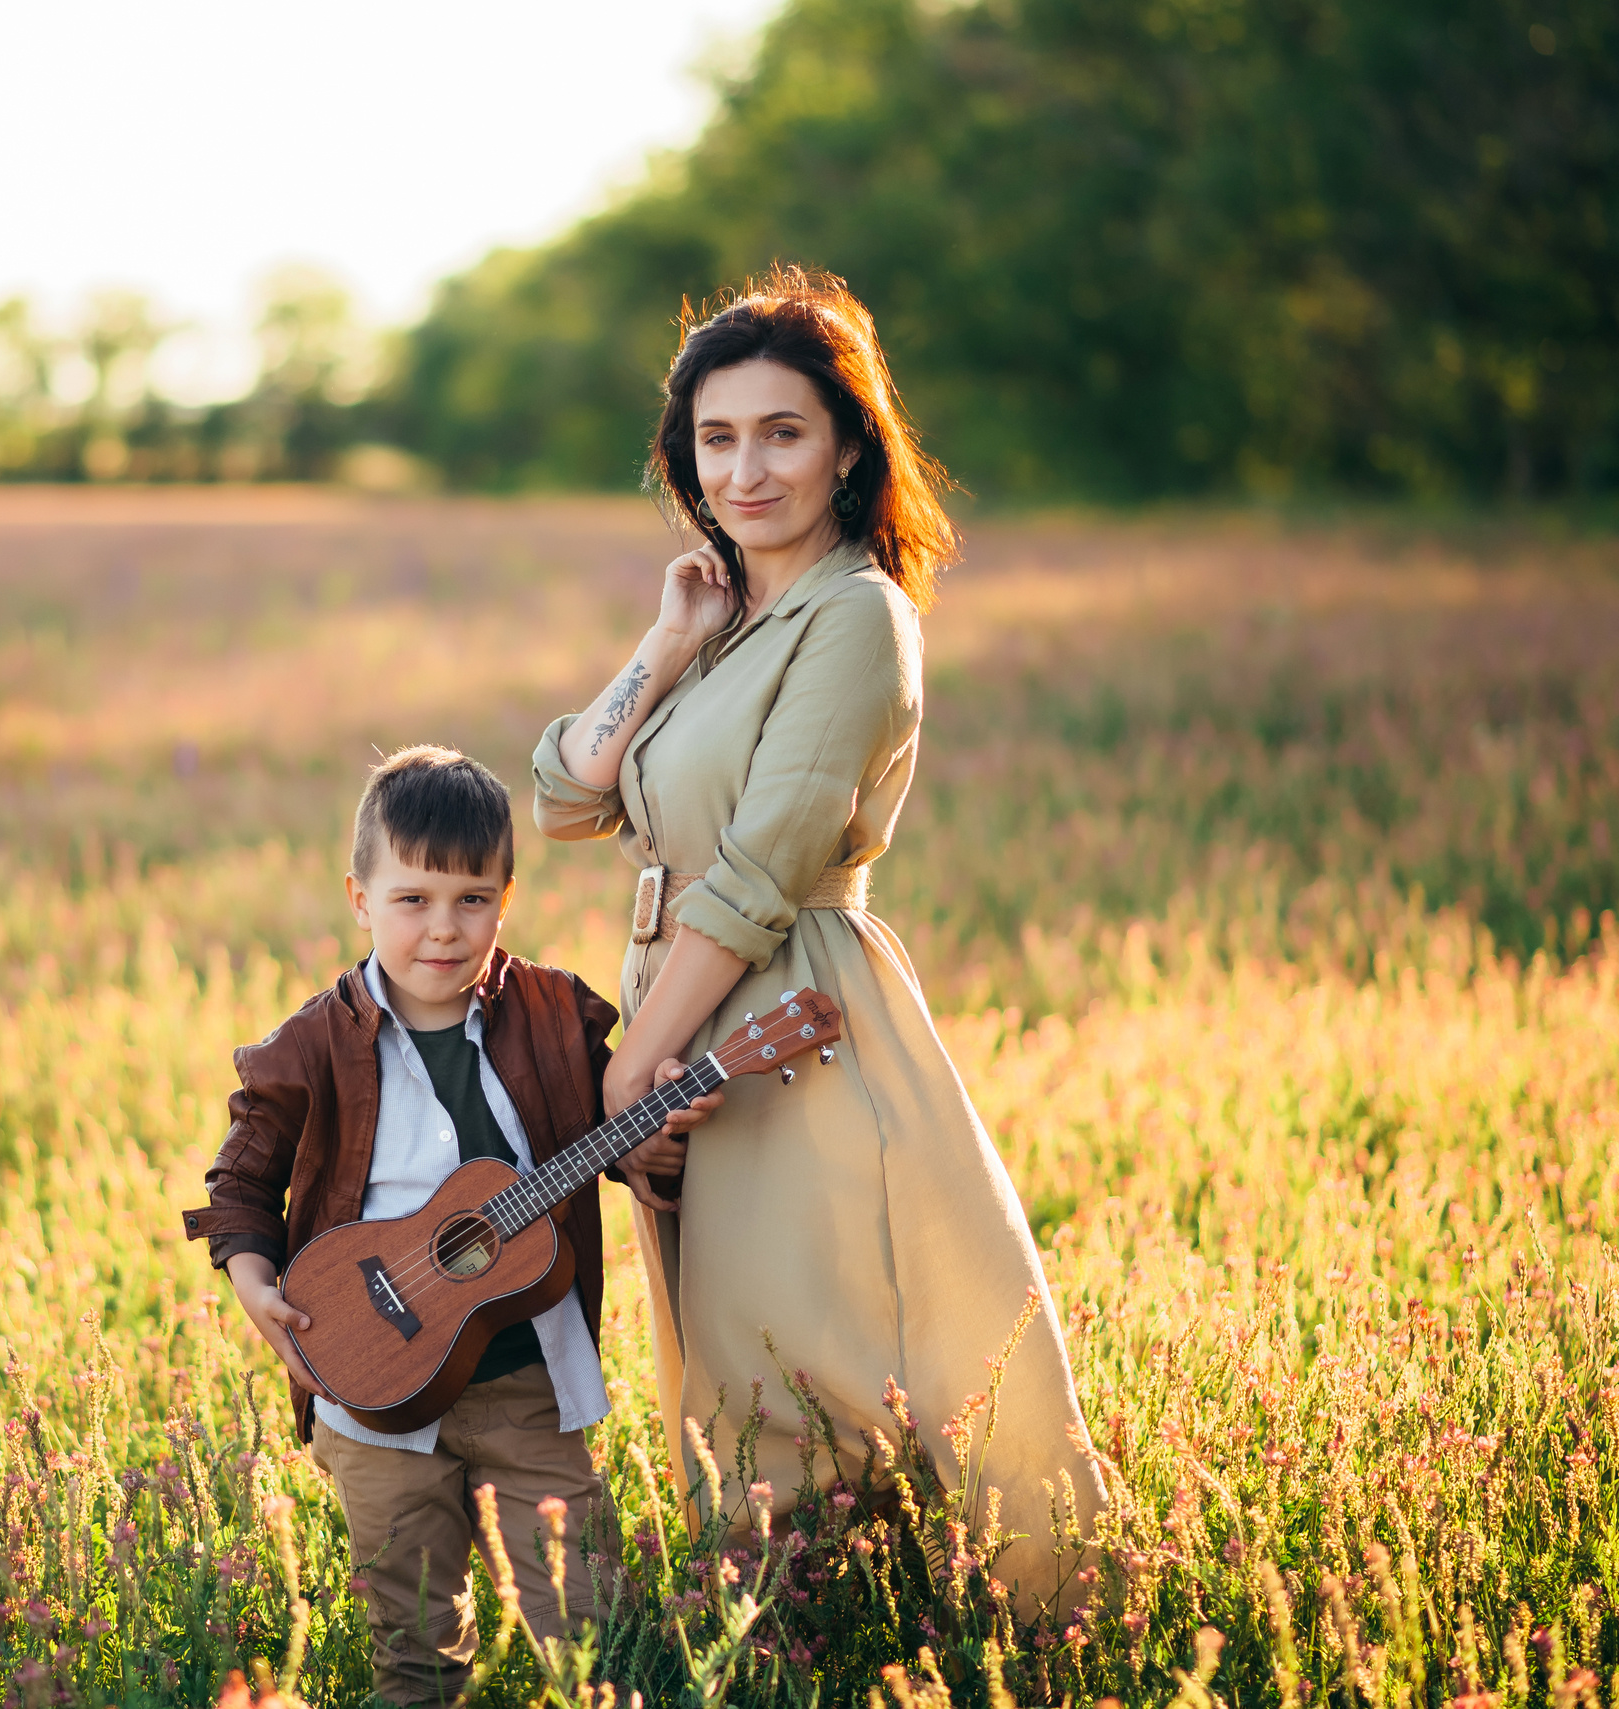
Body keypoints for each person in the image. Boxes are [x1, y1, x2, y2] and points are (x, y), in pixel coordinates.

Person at [528, 266, 1105, 1615]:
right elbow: (563, 795)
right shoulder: (726, 627)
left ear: (848, 444)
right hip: (684, 1008)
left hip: (789, 1014)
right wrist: (668, 643)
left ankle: (958, 1621)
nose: (747, 469)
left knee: (814, 1343)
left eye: (782, 432)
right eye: (716, 440)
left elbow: (765, 863)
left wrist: (640, 1064)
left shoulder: (858, 614)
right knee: (730, 1349)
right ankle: (799, 1623)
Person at [182, 745, 715, 1704]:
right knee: (415, 1649)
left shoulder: (554, 1014)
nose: (443, 928)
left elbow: (620, 1136)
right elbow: (242, 1182)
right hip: (373, 1405)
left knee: (589, 1636)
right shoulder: (314, 1044)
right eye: (413, 899)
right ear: (359, 897)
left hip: (527, 1392)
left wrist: (655, 1132)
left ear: (506, 897)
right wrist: (259, 1287)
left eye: (472, 899)